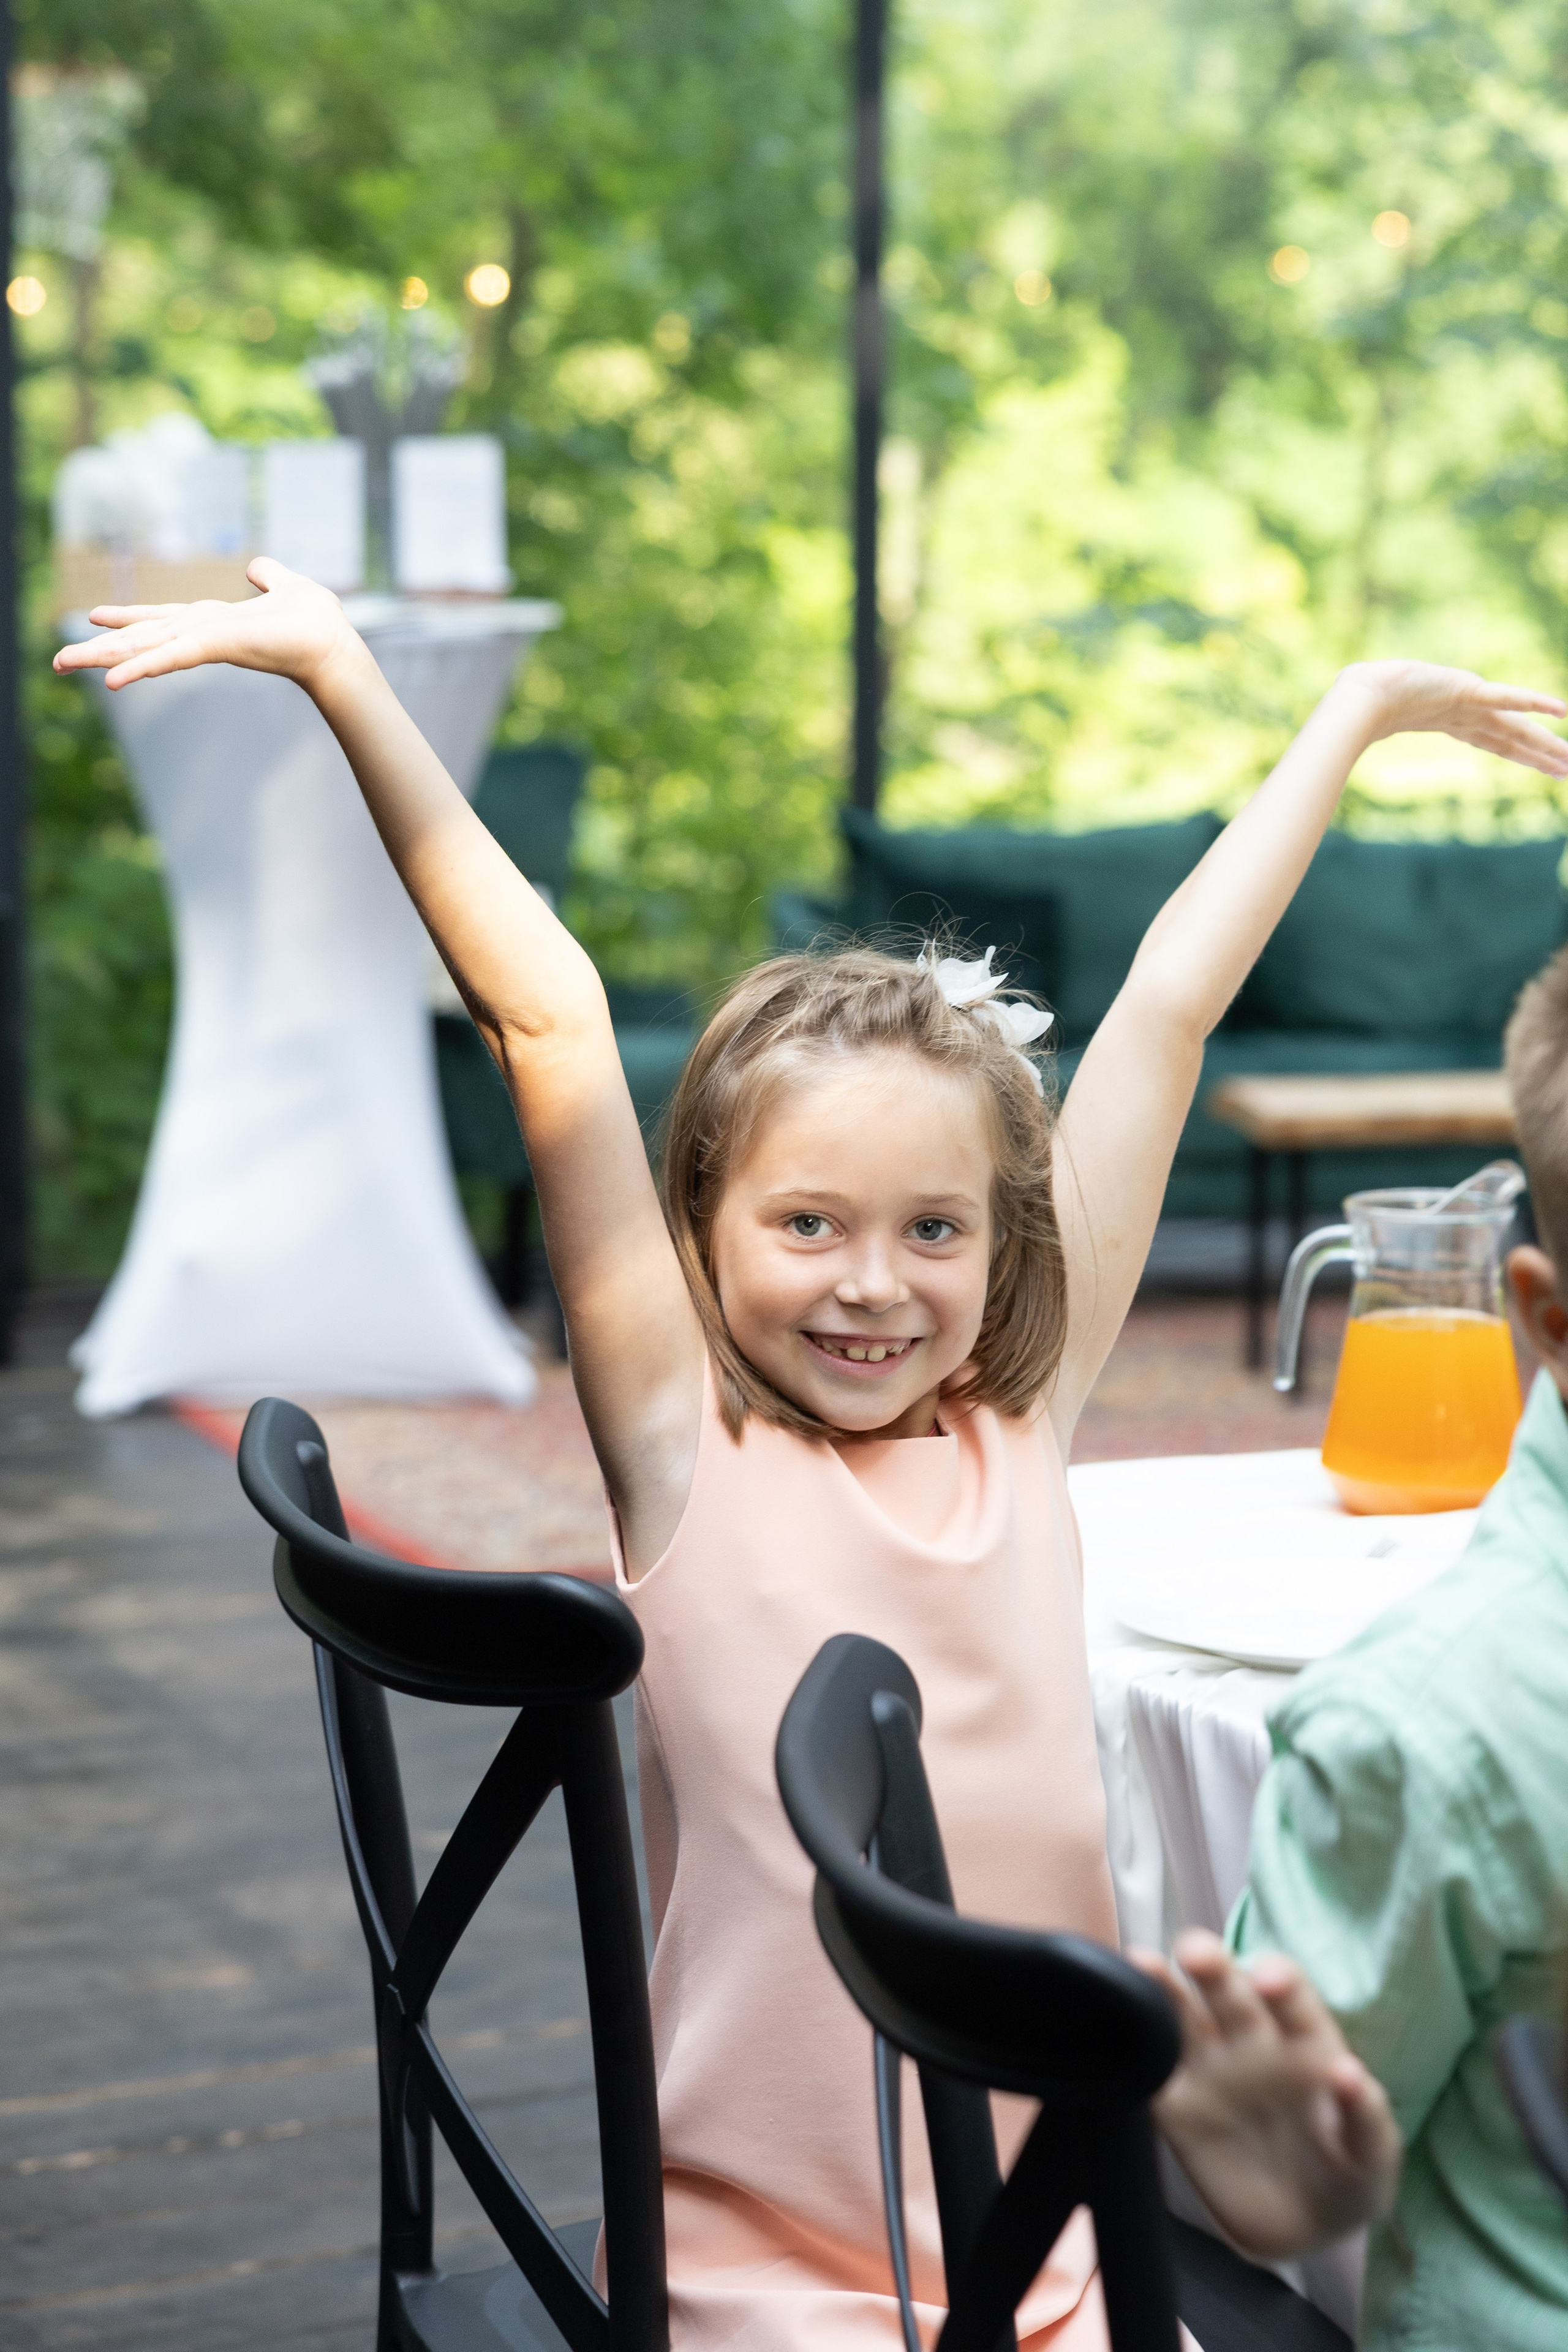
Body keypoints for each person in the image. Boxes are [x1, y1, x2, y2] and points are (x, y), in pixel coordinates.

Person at [55, 570, 1566, 2349]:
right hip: (752, 2288)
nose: (871, 1283)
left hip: (1050, 2263)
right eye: (806, 1224)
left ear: (1007, 1246)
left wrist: (1358, 713)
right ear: (698, 1231)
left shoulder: (1025, 1416)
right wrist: (342, 677)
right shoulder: (678, 1446)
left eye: (934, 1229)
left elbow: (1168, 1007)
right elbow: (541, 1008)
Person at [1188, 942, 1568, 2352]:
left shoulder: (1423, 1718)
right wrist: (1279, 2171)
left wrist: (1275, 2178)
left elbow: (1280, 2173)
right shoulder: (1430, 1727)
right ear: (1543, 1318)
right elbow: (1284, 2164)